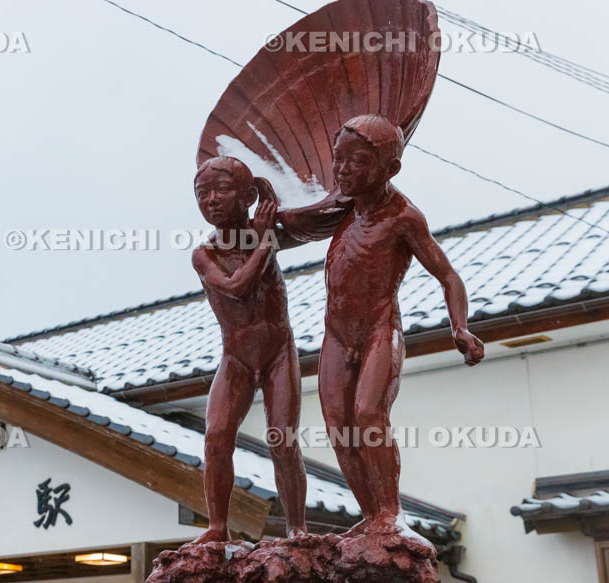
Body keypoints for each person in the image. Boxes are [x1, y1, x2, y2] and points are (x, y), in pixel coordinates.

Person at [309, 114, 485, 538]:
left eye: (358, 161)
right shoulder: (340, 208)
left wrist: (459, 326)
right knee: (337, 426)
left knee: (368, 413)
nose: (344, 170)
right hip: (335, 335)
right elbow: (291, 222)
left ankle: (390, 512)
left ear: (390, 169)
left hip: (378, 331)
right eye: (339, 160)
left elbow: (448, 275)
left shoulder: (404, 217)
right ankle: (371, 517)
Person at [190, 156, 307, 543]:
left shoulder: (268, 232)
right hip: (236, 358)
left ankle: (296, 528)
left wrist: (272, 219)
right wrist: (264, 243)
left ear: (248, 194)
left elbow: (316, 221)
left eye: (221, 190)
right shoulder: (204, 254)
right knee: (216, 438)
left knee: (282, 440)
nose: (211, 201)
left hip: (277, 354)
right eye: (202, 193)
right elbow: (236, 287)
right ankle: (217, 527)